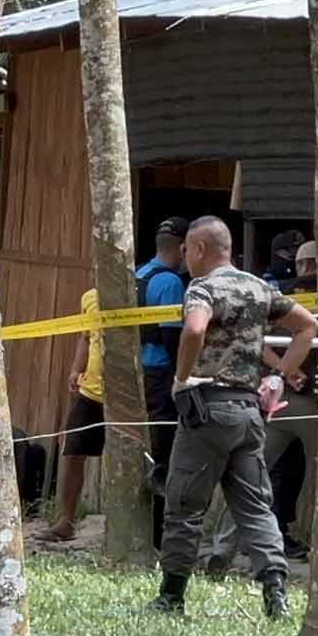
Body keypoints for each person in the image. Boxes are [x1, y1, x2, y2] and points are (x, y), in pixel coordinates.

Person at [148, 216, 318, 619]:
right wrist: (277, 378)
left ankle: (171, 596)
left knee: (185, 503)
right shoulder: (260, 287)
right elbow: (308, 326)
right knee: (255, 505)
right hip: (249, 411)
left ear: (201, 249)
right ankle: (275, 592)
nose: (185, 258)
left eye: (187, 250)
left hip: (207, 406)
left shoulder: (203, 287)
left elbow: (193, 330)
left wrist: (183, 378)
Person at [205, 239, 318, 571]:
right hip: (314, 402)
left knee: (249, 475)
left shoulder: (278, 293)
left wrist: (280, 370)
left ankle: (222, 548)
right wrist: (291, 370)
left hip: (276, 398)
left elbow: (251, 338)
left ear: (299, 263)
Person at [136, 217, 190, 549]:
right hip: (160, 376)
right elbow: (173, 336)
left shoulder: (139, 274)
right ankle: (161, 535)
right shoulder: (170, 282)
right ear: (183, 248)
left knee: (143, 448)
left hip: (137, 373)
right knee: (164, 454)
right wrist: (182, 378)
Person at [39, 288, 105, 543]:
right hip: (90, 390)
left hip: (124, 393)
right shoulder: (89, 296)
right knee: (73, 451)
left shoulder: (134, 292)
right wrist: (76, 368)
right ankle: (65, 520)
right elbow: (85, 337)